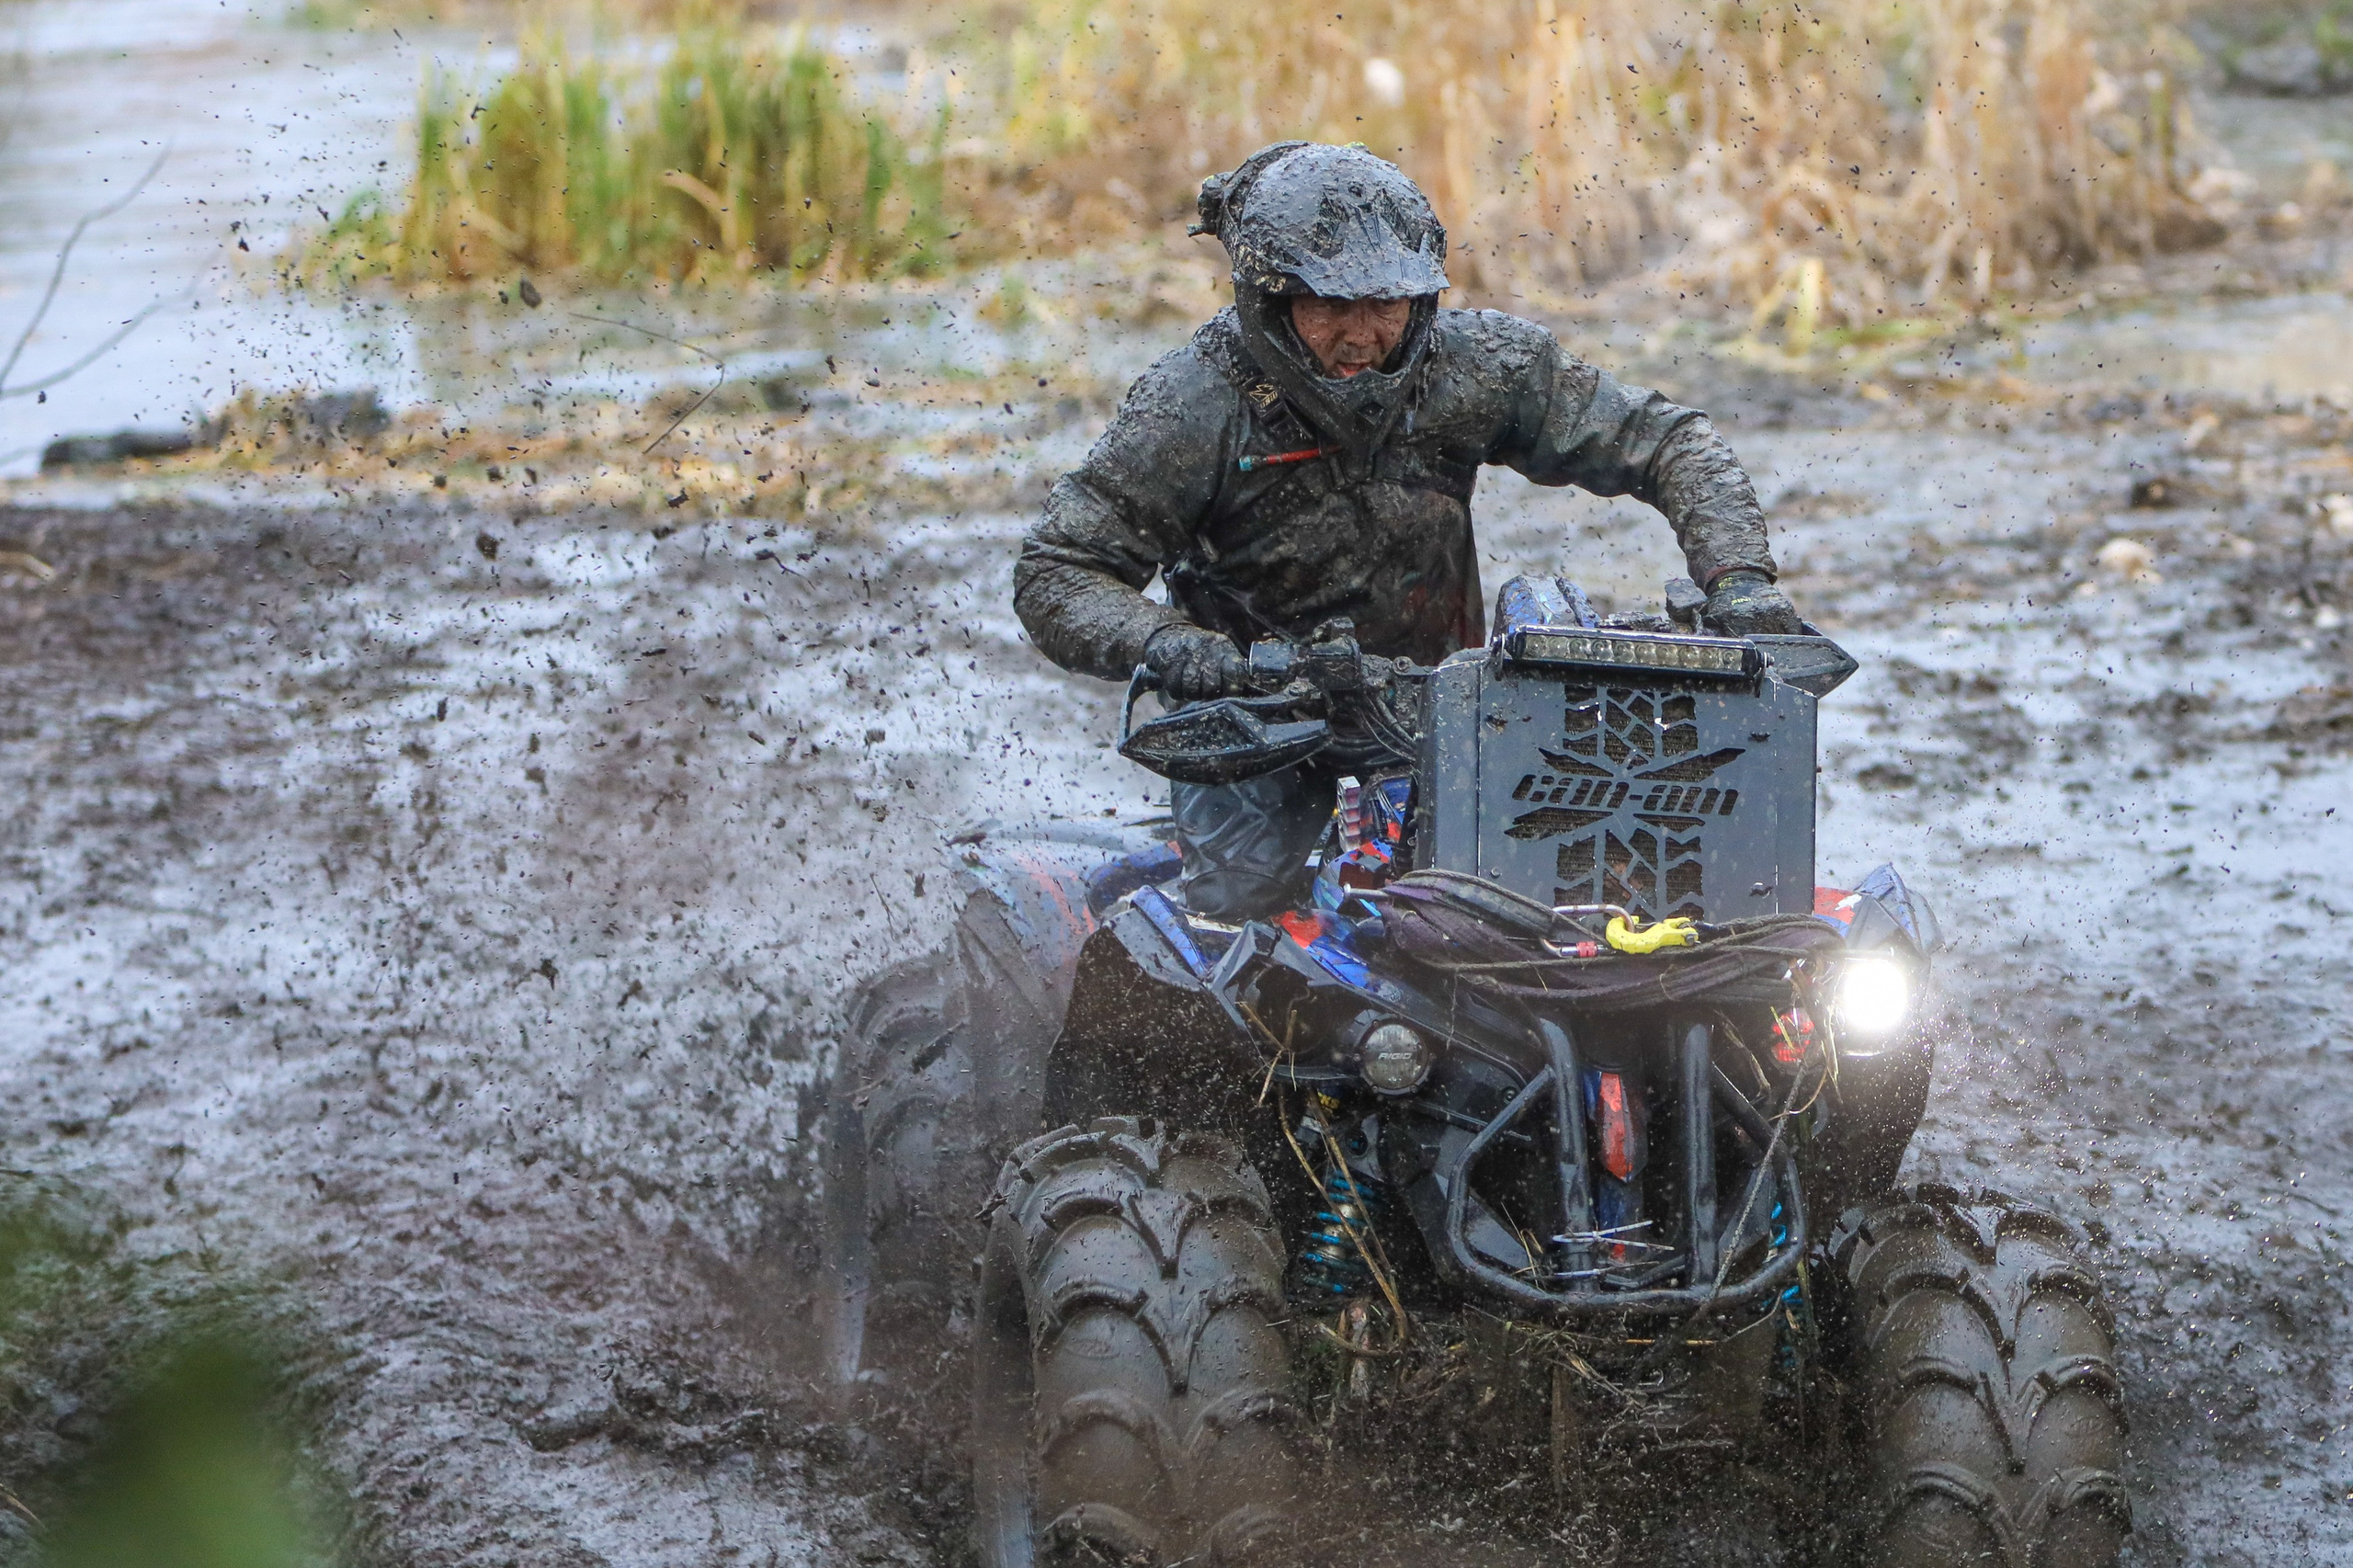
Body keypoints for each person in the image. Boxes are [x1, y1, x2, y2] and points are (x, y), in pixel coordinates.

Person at [1014, 141, 1805, 919]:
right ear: (1271, 301)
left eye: (1385, 306)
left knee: (1560, 889)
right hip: (1259, 717)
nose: (1361, 336)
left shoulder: (1477, 365)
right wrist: (1184, 651)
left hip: (1445, 707)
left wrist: (1738, 582)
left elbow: (1670, 442)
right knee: (1240, 912)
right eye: (1330, 306)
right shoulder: (1194, 408)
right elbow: (1057, 570)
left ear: (1422, 298)